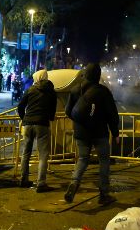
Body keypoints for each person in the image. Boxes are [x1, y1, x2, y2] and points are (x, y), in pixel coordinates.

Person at [63, 63, 120, 205]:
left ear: (85, 74)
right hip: (100, 133)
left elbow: (68, 111)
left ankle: (74, 183)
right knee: (104, 161)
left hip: (81, 133)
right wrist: (115, 132)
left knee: (82, 159)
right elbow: (112, 114)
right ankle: (104, 194)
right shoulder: (103, 91)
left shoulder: (75, 90)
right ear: (98, 76)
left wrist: (80, 122)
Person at [17, 69, 57, 192]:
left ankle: (23, 180)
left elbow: (20, 106)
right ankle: (41, 183)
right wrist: (50, 118)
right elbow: (53, 109)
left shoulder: (30, 89)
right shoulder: (51, 91)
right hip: (42, 124)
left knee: (26, 153)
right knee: (43, 154)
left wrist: (24, 118)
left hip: (28, 124)